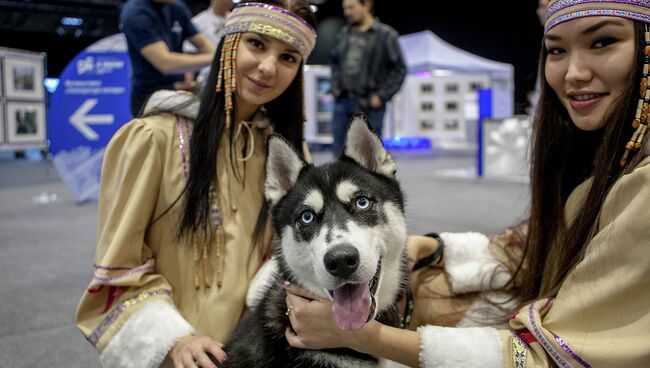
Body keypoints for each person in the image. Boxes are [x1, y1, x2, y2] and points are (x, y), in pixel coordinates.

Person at [284, 0, 650, 366]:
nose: (573, 73)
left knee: (421, 299)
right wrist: (434, 246)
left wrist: (368, 338)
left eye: (602, 42)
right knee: (422, 282)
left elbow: (555, 357)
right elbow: (539, 243)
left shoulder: (642, 186)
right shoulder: (602, 155)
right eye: (556, 49)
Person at [75, 1, 317, 367]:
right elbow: (118, 270)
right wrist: (173, 339)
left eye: (288, 58)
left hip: (256, 352)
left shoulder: (288, 153)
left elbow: (295, 256)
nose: (268, 68)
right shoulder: (153, 138)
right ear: (228, 44)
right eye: (256, 43)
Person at [329, 0, 406, 155]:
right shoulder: (344, 34)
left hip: (370, 106)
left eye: (351, 7)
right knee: (338, 155)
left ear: (366, 6)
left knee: (369, 157)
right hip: (342, 103)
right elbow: (334, 62)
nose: (346, 12)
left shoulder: (386, 35)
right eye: (344, 8)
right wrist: (335, 86)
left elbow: (399, 70)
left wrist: (381, 96)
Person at [120, 0, 217, 116]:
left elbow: (204, 44)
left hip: (179, 92)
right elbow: (166, 64)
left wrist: (222, 56)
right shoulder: (136, 14)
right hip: (150, 99)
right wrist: (217, 57)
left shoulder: (177, 7)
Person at [184, 0, 234, 90]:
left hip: (231, 76)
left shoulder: (236, 21)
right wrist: (189, 83)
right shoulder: (199, 21)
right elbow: (189, 53)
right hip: (206, 79)